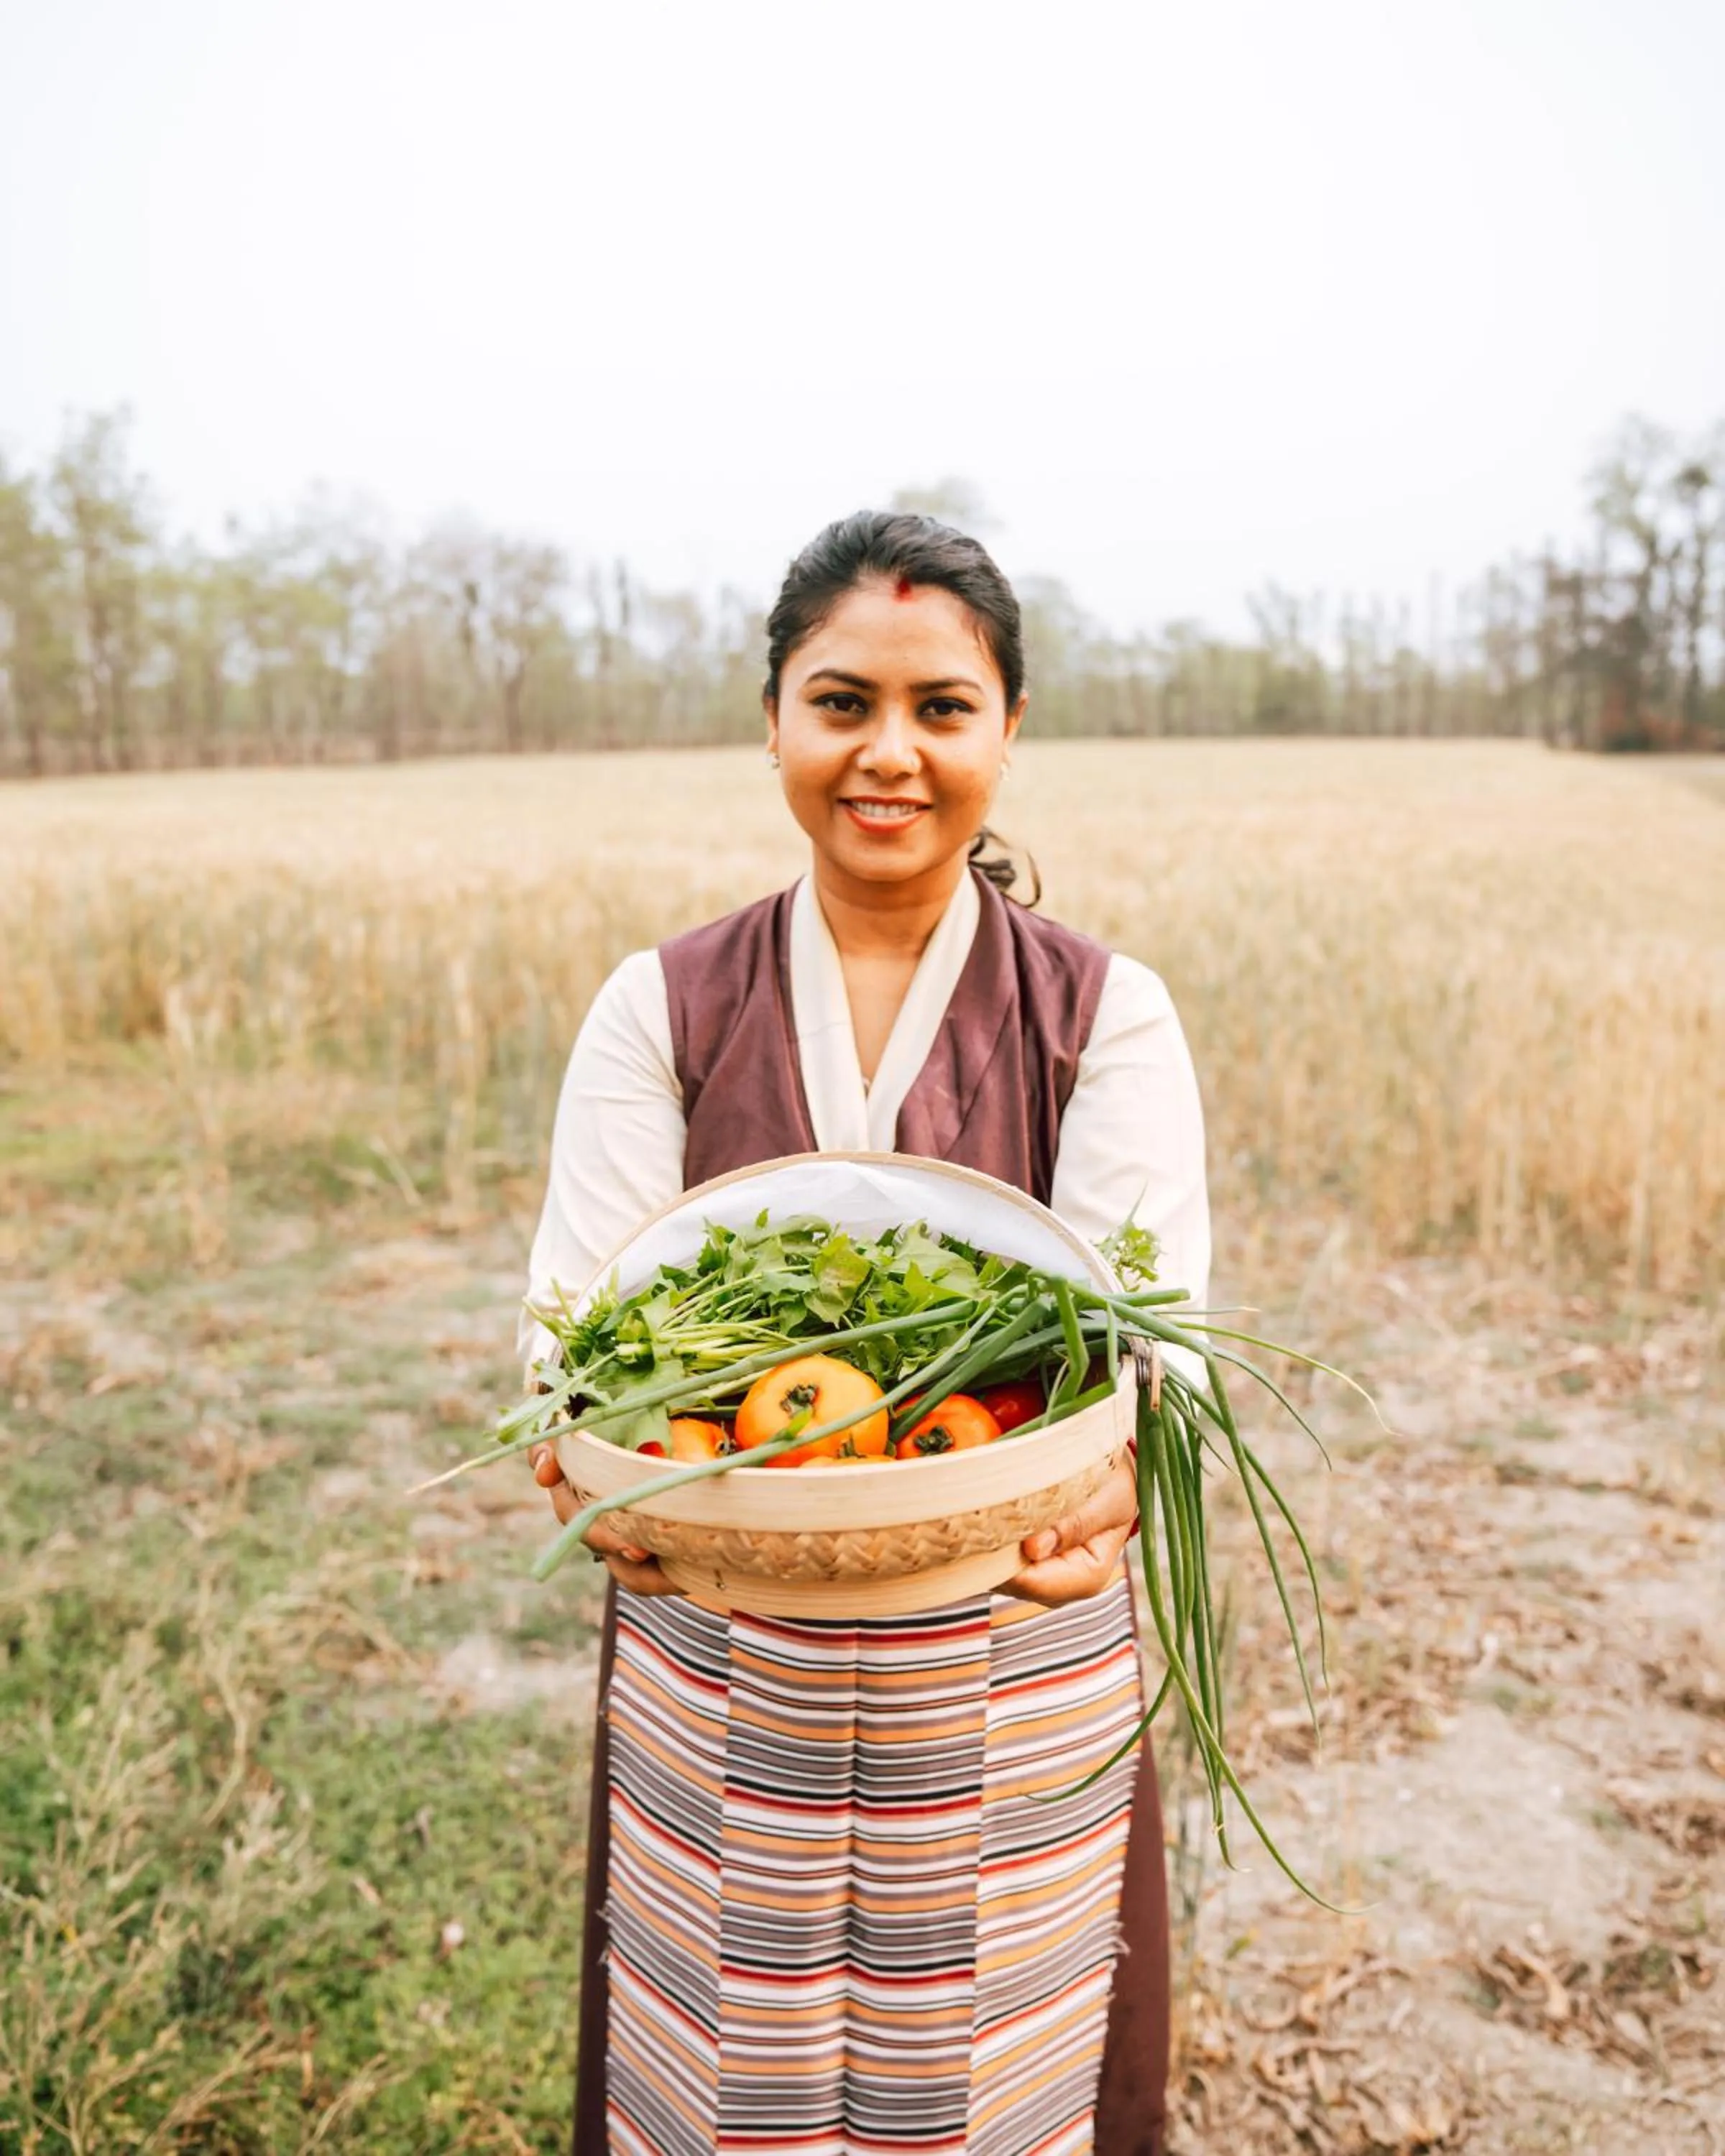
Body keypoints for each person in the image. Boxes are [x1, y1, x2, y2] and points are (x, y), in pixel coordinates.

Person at [523, 511, 1210, 2156]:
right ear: (774, 720)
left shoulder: (1101, 1012)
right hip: (724, 1633)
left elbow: (1151, 1356)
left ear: (1008, 733)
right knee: (727, 2072)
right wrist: (583, 1447)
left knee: (995, 2079)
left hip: (1006, 1638)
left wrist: (1112, 1482)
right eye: (841, 704)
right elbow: (574, 1333)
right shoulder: (666, 1003)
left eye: (941, 709)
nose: (887, 754)